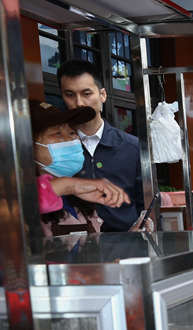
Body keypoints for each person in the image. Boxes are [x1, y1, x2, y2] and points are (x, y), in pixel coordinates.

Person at [57, 58, 144, 232]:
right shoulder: (56, 147)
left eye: (86, 94)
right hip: (76, 249)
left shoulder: (132, 147)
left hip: (127, 249)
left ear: (102, 95)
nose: (79, 103)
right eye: (70, 95)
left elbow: (147, 207)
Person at [30, 99, 131, 237]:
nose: (71, 139)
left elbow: (90, 250)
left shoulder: (80, 198)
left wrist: (131, 237)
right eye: (57, 133)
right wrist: (70, 185)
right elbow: (23, 203)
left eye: (72, 133)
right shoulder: (15, 196)